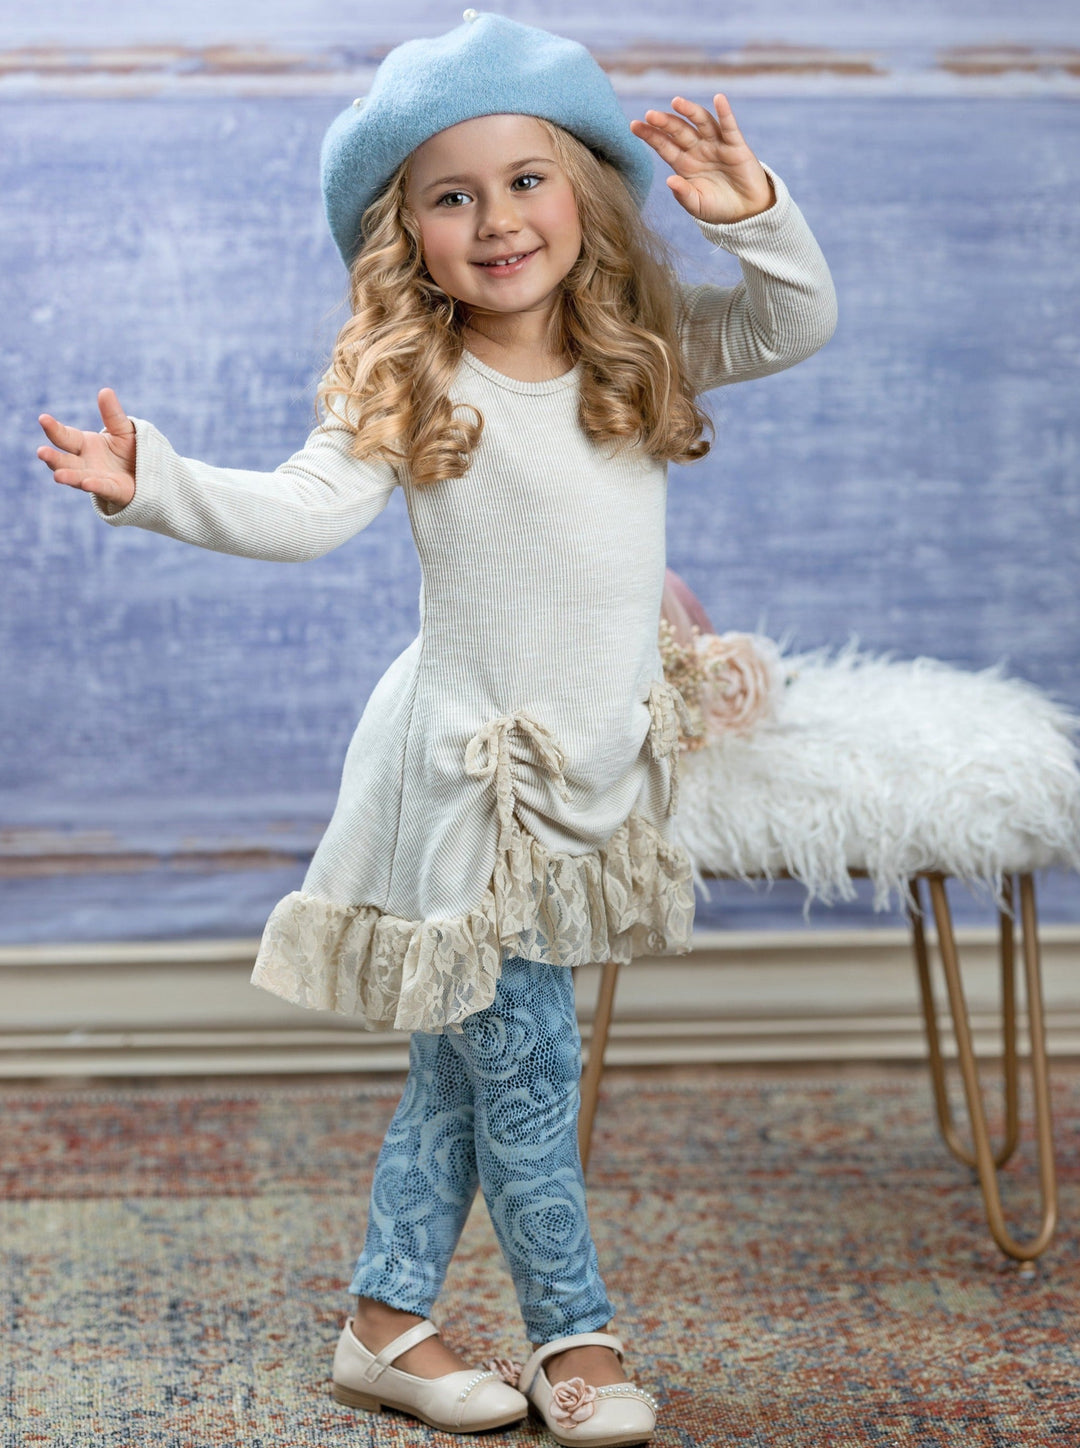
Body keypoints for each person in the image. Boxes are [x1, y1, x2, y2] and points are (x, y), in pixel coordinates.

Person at [36, 11, 836, 1443]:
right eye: (453, 196)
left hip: (591, 772)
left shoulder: (639, 349)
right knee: (528, 1066)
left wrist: (755, 214)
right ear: (407, 232)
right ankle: (577, 1336)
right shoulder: (418, 382)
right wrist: (153, 482)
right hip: (473, 783)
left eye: (527, 181)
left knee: (459, 1077)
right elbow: (299, 512)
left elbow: (795, 321)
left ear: (585, 193)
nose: (499, 219)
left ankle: (382, 1324)